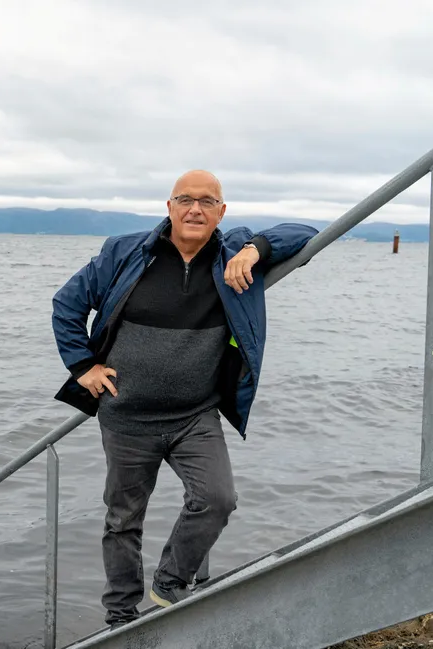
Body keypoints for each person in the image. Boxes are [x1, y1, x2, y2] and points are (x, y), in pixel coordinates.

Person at [50, 170, 318, 628]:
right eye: (186, 200)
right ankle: (120, 616)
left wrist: (256, 249)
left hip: (194, 416)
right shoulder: (124, 252)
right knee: (123, 521)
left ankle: (170, 583)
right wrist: (83, 367)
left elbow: (307, 234)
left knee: (218, 499)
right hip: (127, 417)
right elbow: (67, 305)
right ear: (169, 207)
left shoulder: (234, 254)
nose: (196, 209)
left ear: (222, 211)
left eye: (208, 201)